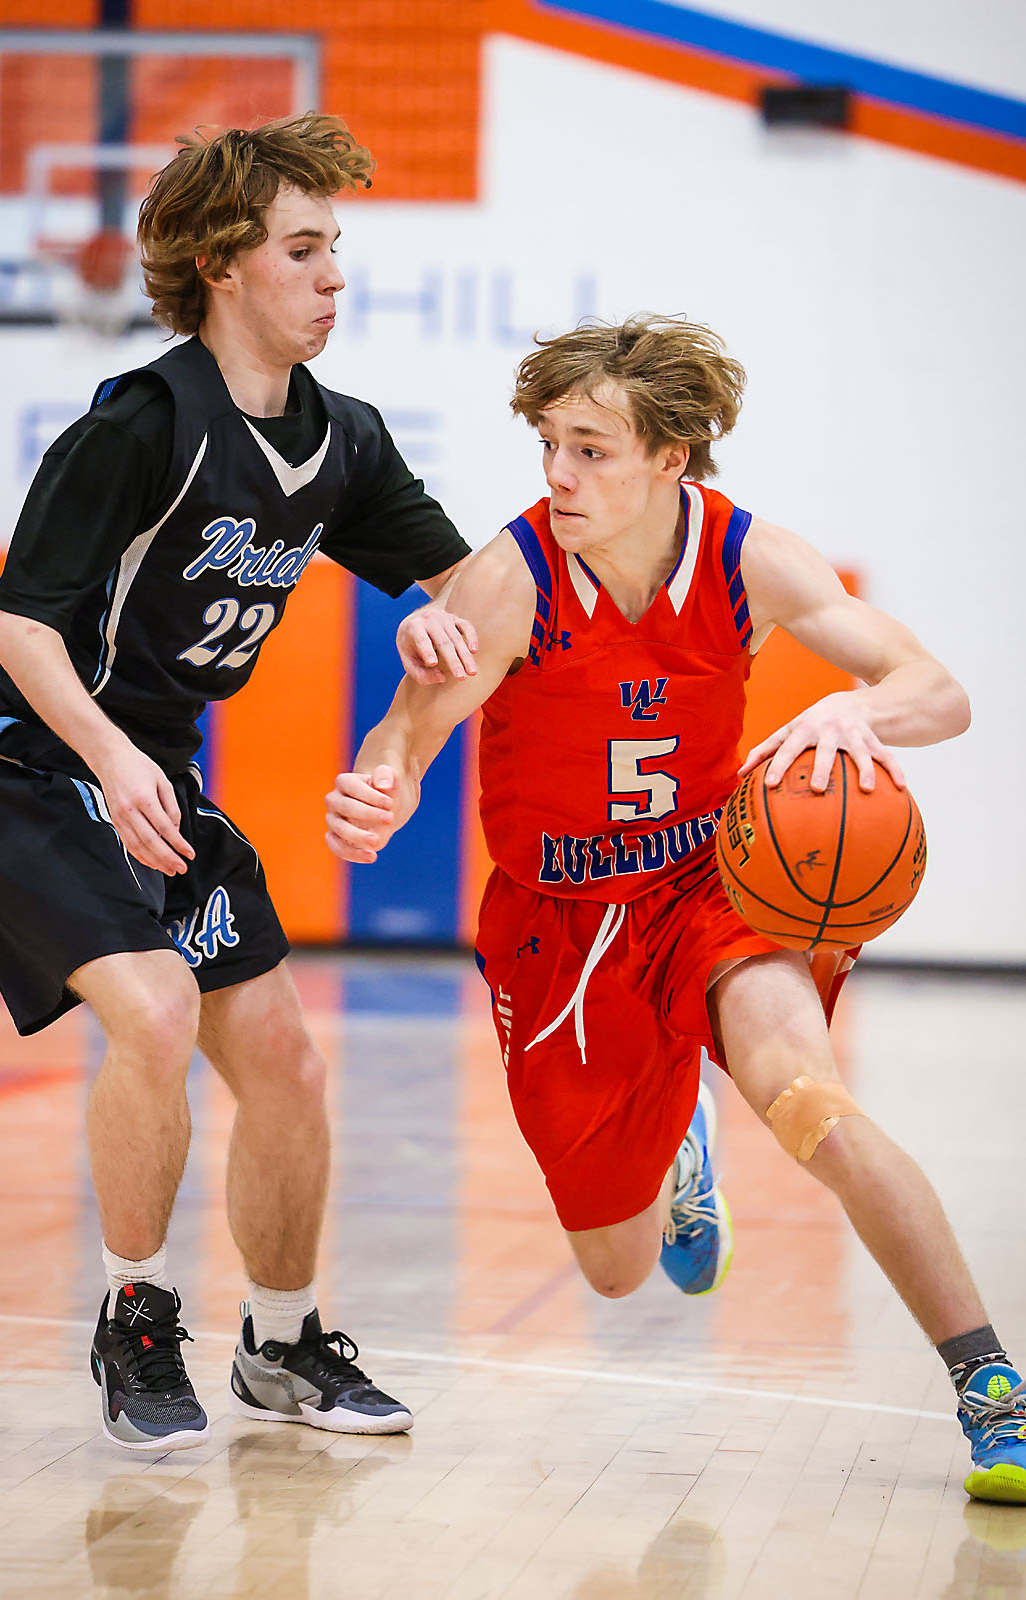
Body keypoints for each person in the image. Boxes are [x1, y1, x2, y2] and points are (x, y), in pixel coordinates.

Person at [327, 315, 1026, 1505]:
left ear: (669, 456)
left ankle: (990, 1390)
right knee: (614, 1269)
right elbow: (405, 730)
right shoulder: (511, 577)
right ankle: (679, 1144)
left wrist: (855, 711)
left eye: (590, 449)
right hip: (557, 925)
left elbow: (936, 689)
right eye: (549, 444)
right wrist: (377, 787)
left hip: (710, 889)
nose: (558, 474)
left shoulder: (748, 557)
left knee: (814, 1108)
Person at [0, 112, 476, 1451]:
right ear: (222, 263)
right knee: (153, 1009)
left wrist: (435, 648)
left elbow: (477, 588)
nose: (332, 275)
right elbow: (21, 627)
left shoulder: (342, 439)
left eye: (334, 247)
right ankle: (135, 1321)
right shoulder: (143, 422)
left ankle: (283, 1345)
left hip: (156, 772)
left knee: (289, 1065)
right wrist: (112, 755)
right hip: (22, 757)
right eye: (302, 249)